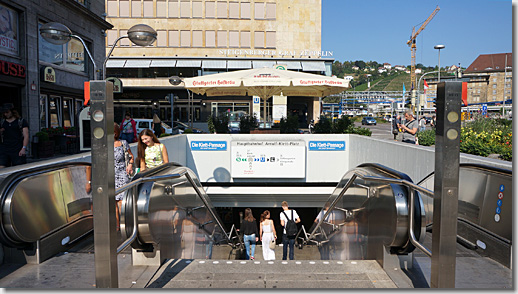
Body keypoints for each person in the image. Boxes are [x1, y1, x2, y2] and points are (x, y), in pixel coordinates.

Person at [114, 123, 134, 230]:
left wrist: (130, 165)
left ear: (115, 133)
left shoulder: (123, 143)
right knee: (114, 201)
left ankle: (124, 224)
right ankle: (117, 226)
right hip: (109, 175)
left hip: (122, 174)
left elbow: (131, 157)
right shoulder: (103, 145)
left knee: (122, 201)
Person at [0, 103, 29, 168]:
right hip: (4, 148)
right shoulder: (2, 122)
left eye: (7, 112)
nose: (5, 114)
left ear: (12, 111)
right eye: (4, 113)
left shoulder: (21, 121)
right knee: (2, 168)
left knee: (18, 169)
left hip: (17, 149)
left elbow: (26, 136)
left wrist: (23, 148)